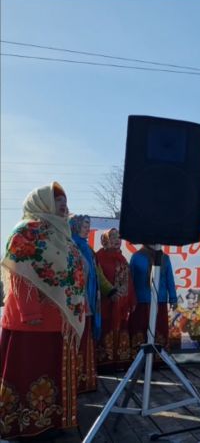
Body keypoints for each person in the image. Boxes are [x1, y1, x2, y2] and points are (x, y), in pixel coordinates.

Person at [0, 182, 87, 439]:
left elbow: (74, 274)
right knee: (30, 371)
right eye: (56, 199)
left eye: (64, 199)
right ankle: (24, 426)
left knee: (52, 370)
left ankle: (50, 421)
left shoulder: (62, 234)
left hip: (60, 319)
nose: (63, 204)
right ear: (42, 202)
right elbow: (20, 273)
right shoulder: (26, 231)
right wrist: (30, 313)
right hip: (31, 323)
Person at [70, 214, 115, 393]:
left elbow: (98, 274)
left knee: (86, 340)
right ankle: (73, 382)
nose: (87, 228)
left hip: (89, 302)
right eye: (84, 225)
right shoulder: (69, 247)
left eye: (88, 225)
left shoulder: (88, 250)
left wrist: (109, 290)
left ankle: (85, 380)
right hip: (74, 303)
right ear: (74, 226)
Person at [95, 228, 137, 373]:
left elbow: (129, 281)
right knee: (106, 329)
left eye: (119, 237)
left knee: (121, 329)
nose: (117, 240)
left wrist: (131, 299)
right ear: (105, 240)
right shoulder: (99, 257)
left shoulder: (123, 258)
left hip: (122, 304)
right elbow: (98, 280)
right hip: (106, 303)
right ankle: (104, 363)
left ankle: (120, 361)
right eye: (113, 237)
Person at [129, 243, 178, 352]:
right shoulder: (137, 257)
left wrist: (173, 299)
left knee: (159, 328)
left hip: (159, 300)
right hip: (141, 300)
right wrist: (130, 299)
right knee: (140, 328)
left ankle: (158, 359)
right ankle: (138, 357)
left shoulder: (164, 258)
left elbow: (169, 279)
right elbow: (130, 280)